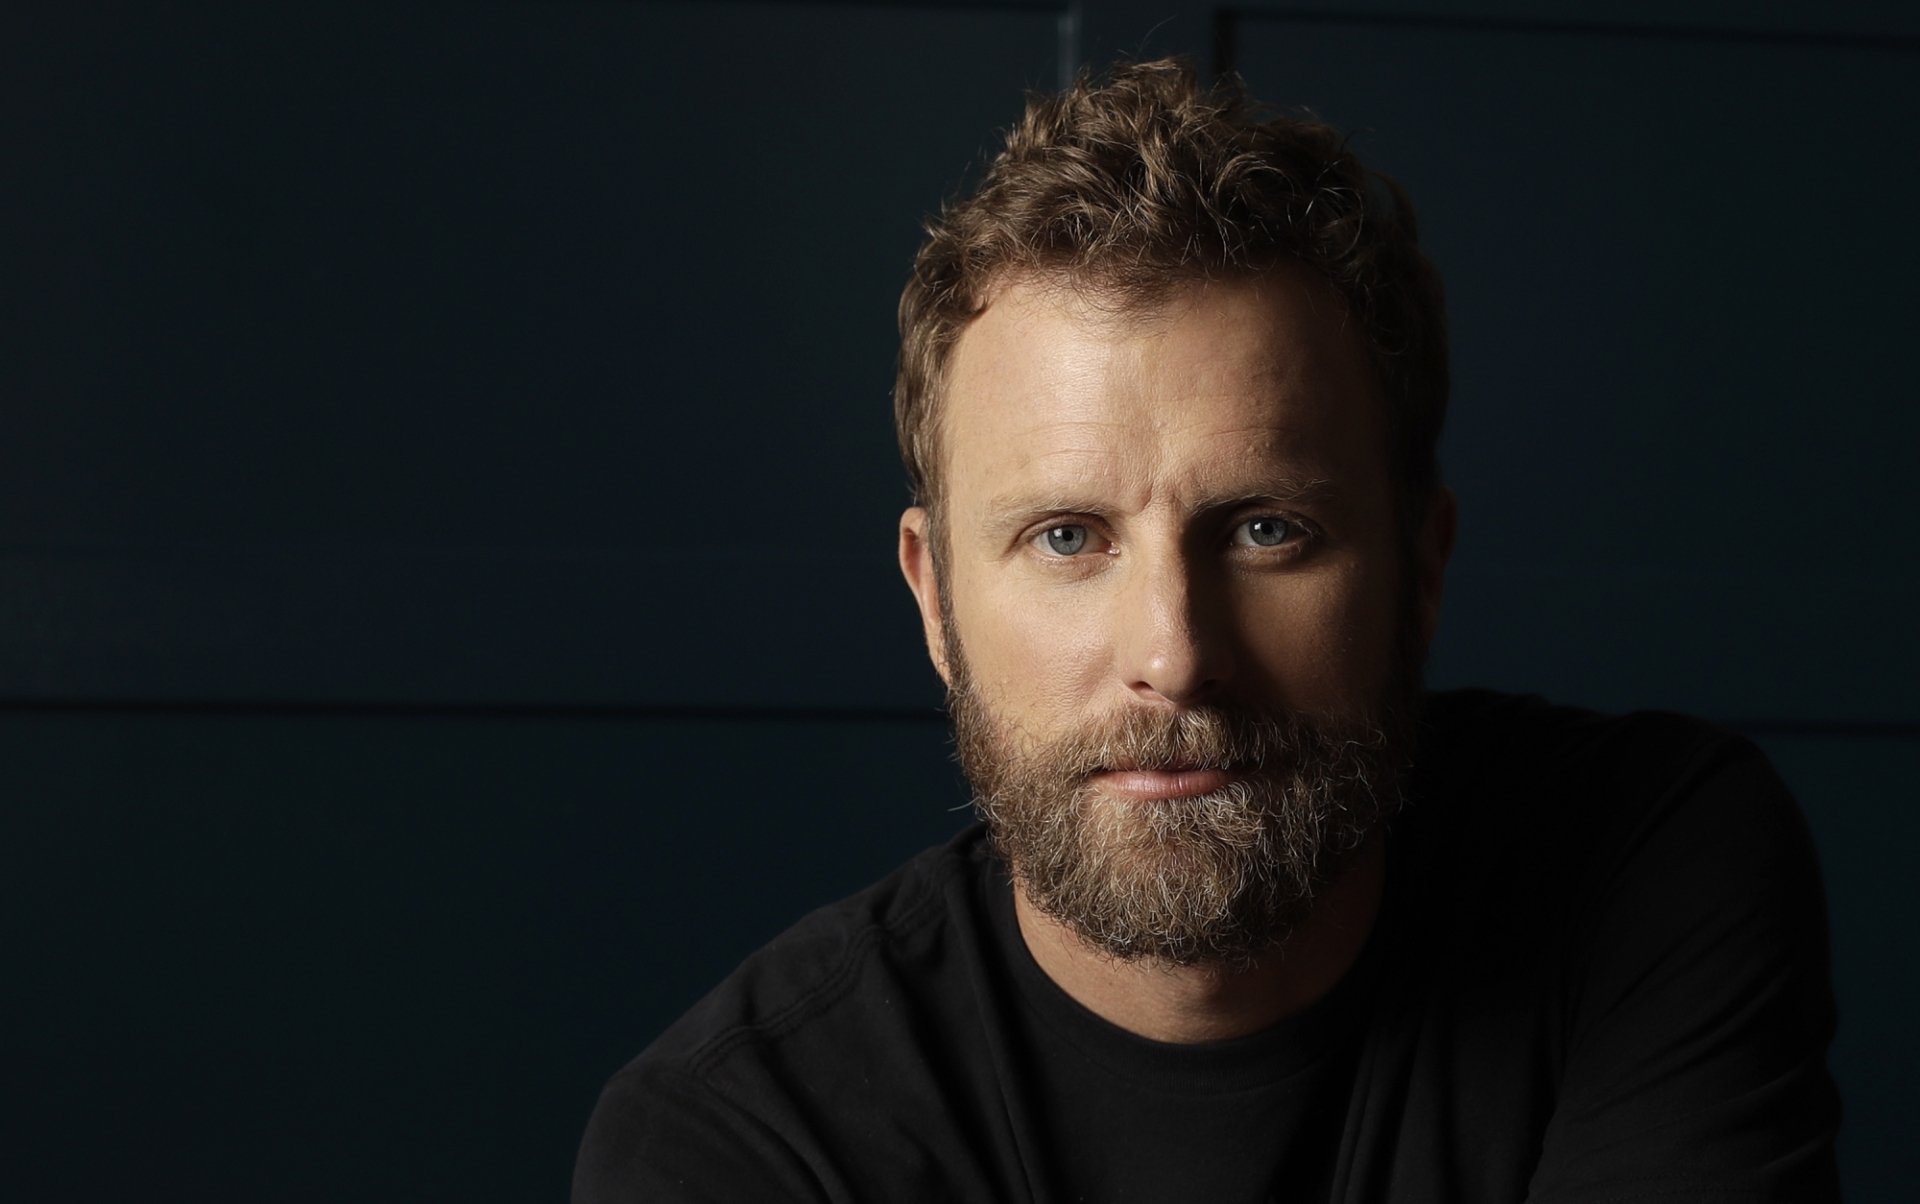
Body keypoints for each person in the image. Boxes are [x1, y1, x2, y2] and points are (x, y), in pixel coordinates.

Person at [574, 59, 1839, 1202]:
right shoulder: (738, 1144)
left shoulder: (1649, 865)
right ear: (935, 600)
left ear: (1422, 566)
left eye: (1267, 530)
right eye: (1067, 537)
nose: (1175, 657)